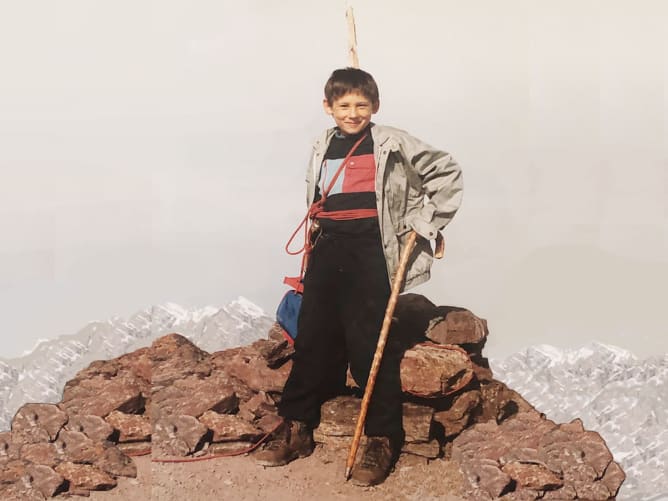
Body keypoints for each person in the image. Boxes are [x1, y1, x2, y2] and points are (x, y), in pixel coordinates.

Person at [254, 67, 463, 486]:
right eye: (344, 105)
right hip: (329, 246)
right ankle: (297, 425)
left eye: (361, 106)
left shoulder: (392, 142)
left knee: (371, 342)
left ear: (376, 106)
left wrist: (423, 222)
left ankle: (382, 437)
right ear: (327, 107)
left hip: (372, 249)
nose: (353, 113)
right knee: (312, 335)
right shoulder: (322, 144)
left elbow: (447, 173)